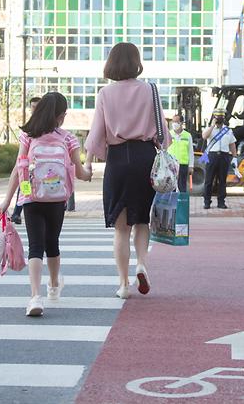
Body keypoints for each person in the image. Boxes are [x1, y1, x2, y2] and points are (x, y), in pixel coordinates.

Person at [85, 42, 171, 299]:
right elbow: (163, 136)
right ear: (136, 62)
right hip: (146, 158)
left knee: (121, 228)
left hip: (118, 160)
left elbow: (96, 132)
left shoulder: (105, 94)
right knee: (142, 220)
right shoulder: (150, 91)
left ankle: (123, 284)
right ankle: (141, 264)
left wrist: (88, 161)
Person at [0, 92, 91, 317]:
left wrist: (7, 201)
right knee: (52, 243)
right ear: (60, 116)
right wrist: (88, 170)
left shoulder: (28, 136)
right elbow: (80, 173)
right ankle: (54, 285)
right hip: (57, 199)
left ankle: (34, 297)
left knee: (36, 246)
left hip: (30, 197)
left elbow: (17, 168)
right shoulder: (68, 138)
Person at [11, 96, 42, 224]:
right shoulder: (28, 128)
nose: (35, 109)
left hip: (40, 166)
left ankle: (18, 212)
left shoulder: (46, 125)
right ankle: (17, 213)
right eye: (33, 107)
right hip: (27, 166)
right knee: (24, 187)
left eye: (37, 107)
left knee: (29, 188)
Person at [201, 108, 237, 210]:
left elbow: (232, 144)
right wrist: (212, 125)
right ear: (214, 117)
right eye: (217, 116)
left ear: (224, 117)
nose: (219, 118)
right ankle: (207, 201)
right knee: (209, 180)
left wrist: (234, 157)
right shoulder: (210, 129)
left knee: (222, 181)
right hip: (212, 156)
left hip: (224, 156)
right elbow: (204, 136)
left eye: (221, 116)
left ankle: (221, 202)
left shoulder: (228, 130)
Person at [168, 113, 195, 193]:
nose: (174, 124)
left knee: (182, 185)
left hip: (183, 164)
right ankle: (172, 204)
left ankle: (181, 203)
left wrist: (191, 166)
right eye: (173, 122)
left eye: (176, 122)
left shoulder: (187, 135)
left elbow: (190, 151)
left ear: (181, 123)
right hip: (171, 164)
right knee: (171, 186)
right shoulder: (169, 134)